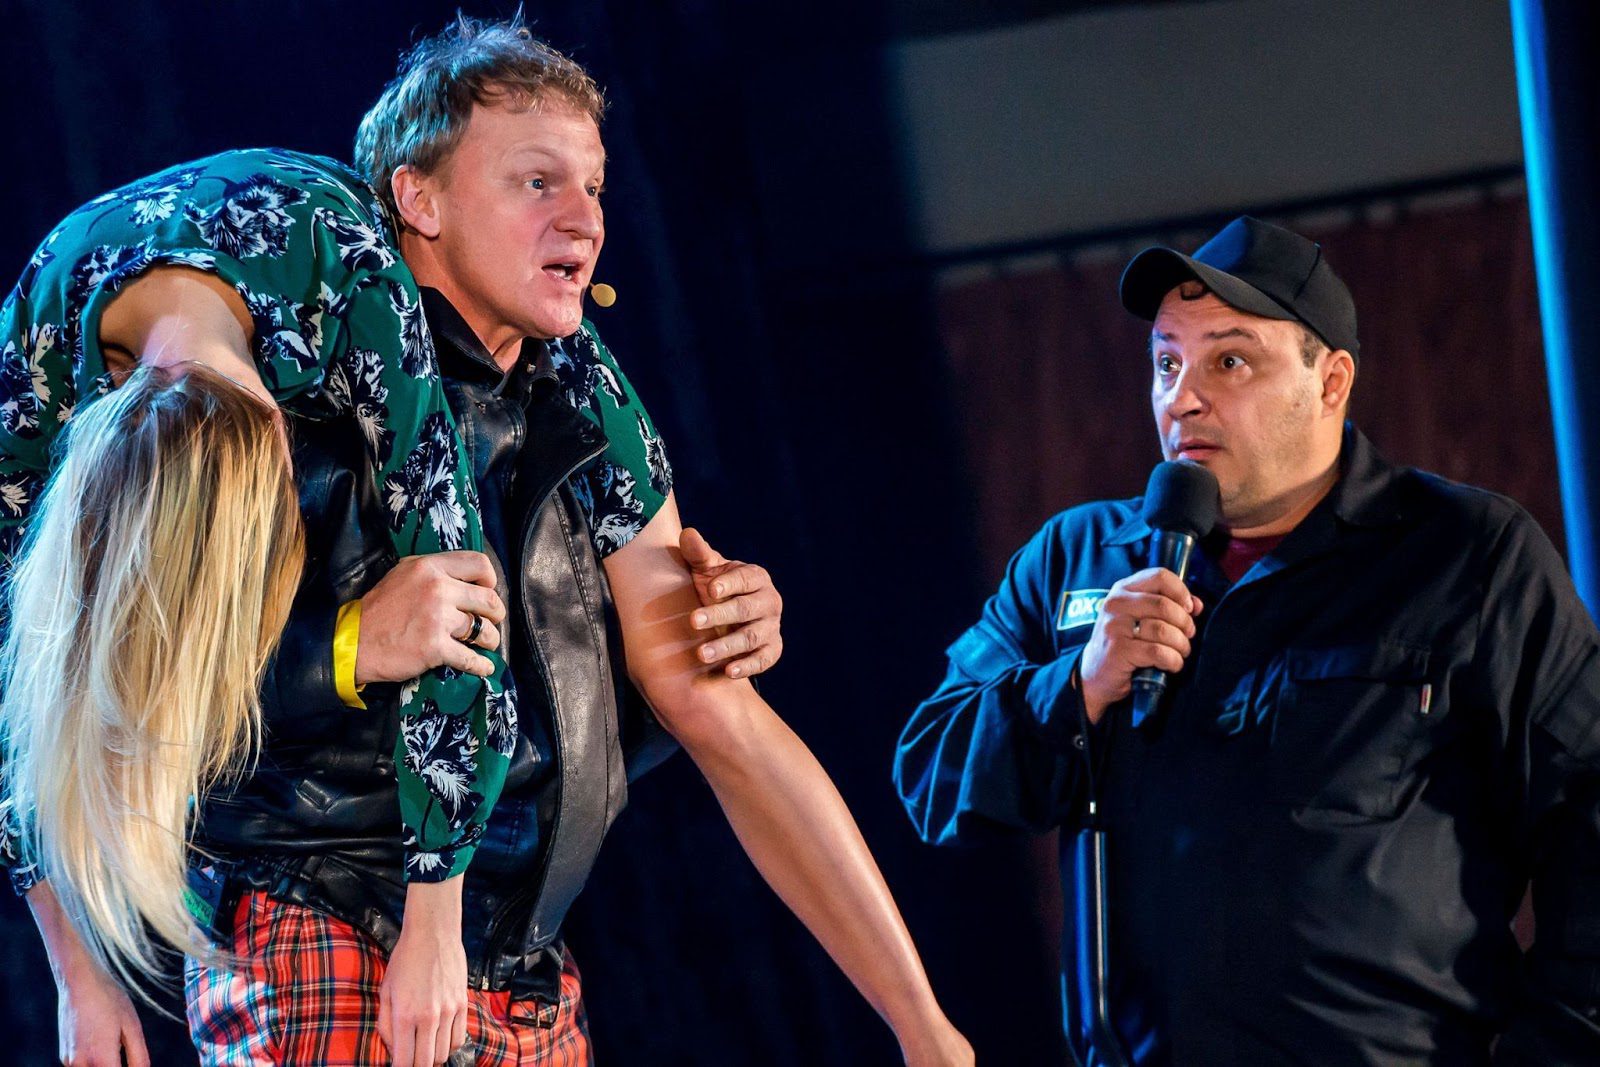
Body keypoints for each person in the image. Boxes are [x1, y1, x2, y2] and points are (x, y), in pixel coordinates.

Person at [26, 17, 974, 1067]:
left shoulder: (580, 393)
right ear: (419, 202)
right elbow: (99, 695)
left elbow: (716, 711)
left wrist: (923, 1027)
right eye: (536, 182)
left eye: (595, 186)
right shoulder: (273, 393)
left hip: (520, 965)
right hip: (329, 933)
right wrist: (345, 649)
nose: (587, 219)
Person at [896, 214, 1600, 1064]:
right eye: (1166, 362)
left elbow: (1588, 818)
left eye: (1229, 362)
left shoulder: (1466, 554)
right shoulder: (1077, 559)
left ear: (1331, 382)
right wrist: (1077, 684)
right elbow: (930, 773)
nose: (1182, 397)